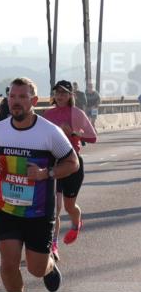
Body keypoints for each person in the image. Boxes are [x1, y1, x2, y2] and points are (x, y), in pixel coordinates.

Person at [0, 77, 79, 292]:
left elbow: (73, 164)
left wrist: (46, 174)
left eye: (22, 97)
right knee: (8, 263)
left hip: (39, 213)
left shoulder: (49, 132)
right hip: (7, 210)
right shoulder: (0, 129)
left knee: (36, 269)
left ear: (34, 102)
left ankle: (48, 265)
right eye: (12, 97)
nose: (15, 102)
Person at [42, 80, 97, 249]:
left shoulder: (77, 113)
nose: (60, 96)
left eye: (64, 93)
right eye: (57, 93)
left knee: (69, 206)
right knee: (56, 208)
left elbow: (93, 137)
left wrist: (73, 132)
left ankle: (76, 223)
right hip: (55, 163)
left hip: (72, 163)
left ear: (71, 95)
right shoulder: (47, 114)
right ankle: (53, 244)